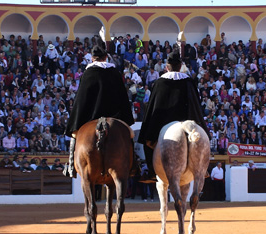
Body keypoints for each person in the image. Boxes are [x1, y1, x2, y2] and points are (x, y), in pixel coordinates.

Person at [63, 41, 134, 178]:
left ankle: (71, 165)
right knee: (129, 135)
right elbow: (122, 97)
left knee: (74, 135)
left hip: (91, 117)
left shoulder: (88, 74)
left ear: (92, 58)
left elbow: (82, 99)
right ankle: (133, 164)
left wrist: (77, 120)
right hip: (114, 117)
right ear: (106, 57)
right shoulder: (114, 73)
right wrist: (124, 118)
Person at [138, 50, 209, 182]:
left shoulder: (159, 82)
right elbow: (195, 105)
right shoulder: (188, 81)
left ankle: (151, 171)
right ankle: (204, 169)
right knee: (203, 138)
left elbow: (153, 107)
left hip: (162, 123)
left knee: (147, 140)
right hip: (186, 120)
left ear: (167, 66)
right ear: (180, 66)